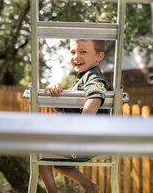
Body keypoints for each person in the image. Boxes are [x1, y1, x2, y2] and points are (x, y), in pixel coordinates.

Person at [39, 39, 111, 193]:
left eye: (83, 52)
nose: (76, 56)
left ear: (99, 57)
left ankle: (53, 191)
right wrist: (55, 90)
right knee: (52, 158)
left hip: (86, 141)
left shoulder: (94, 77)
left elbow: (95, 96)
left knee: (39, 150)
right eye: (73, 52)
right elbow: (69, 108)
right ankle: (89, 186)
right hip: (93, 142)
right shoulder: (83, 78)